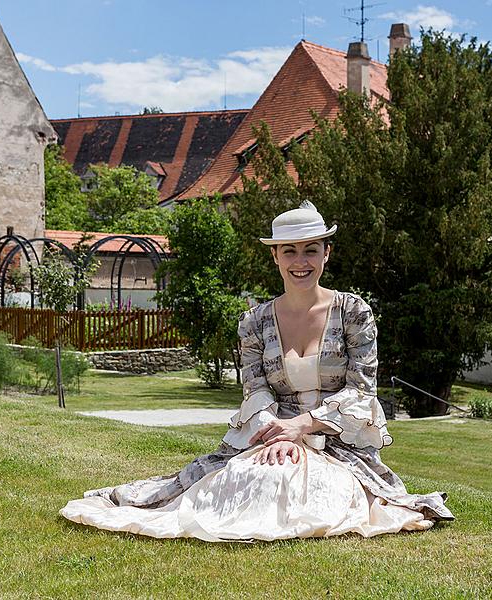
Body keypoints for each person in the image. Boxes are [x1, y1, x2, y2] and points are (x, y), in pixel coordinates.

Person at [60, 201, 453, 541]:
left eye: (310, 250)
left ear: (326, 254)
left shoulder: (354, 312)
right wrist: (277, 433)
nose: (301, 262)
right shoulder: (254, 321)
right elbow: (256, 390)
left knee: (309, 494)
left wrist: (302, 428)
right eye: (290, 251)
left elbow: (360, 390)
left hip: (336, 440)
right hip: (270, 435)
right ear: (275, 256)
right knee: (247, 483)